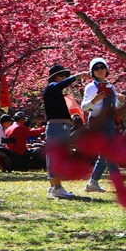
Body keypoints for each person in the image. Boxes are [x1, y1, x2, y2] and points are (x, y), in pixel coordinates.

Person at [43, 63, 89, 199]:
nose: (64, 78)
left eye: (65, 76)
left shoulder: (53, 92)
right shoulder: (52, 87)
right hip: (58, 126)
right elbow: (59, 85)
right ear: (54, 77)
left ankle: (54, 187)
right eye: (61, 75)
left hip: (58, 126)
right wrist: (77, 76)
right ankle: (57, 187)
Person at [82, 58, 122, 192]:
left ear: (106, 69)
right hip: (97, 123)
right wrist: (95, 100)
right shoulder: (91, 86)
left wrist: (121, 101)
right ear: (92, 72)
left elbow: (116, 106)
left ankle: (92, 183)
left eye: (102, 67)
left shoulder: (111, 86)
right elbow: (84, 107)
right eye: (96, 68)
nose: (100, 70)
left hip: (109, 122)